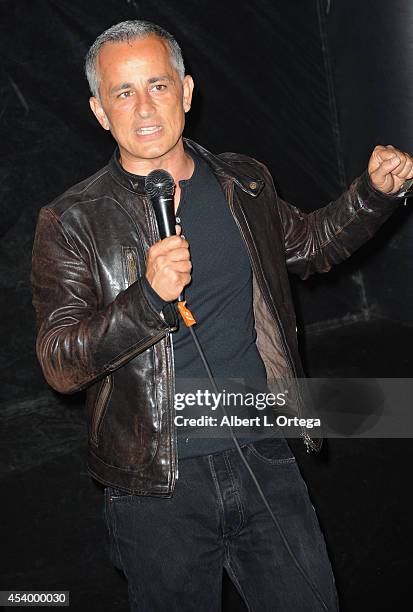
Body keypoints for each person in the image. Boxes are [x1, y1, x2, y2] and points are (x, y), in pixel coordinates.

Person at [31, 20, 412, 612]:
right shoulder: (72, 220)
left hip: (261, 449)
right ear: (99, 111)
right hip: (154, 483)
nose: (144, 107)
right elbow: (59, 362)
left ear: (186, 91)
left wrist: (373, 194)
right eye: (123, 92)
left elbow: (309, 245)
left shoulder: (243, 181)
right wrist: (147, 300)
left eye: (157, 85)